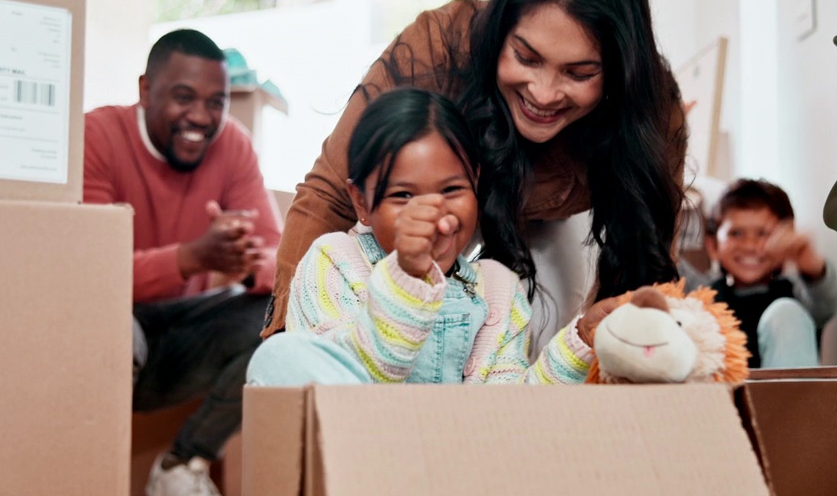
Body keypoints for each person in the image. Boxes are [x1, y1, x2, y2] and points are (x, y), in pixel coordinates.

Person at [263, 0, 687, 339]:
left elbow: (644, 261)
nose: (543, 94)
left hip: (552, 227)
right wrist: (289, 344)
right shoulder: (438, 47)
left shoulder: (650, 107)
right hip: (439, 216)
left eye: (579, 73)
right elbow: (330, 194)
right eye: (526, 56)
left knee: (553, 327)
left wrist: (622, 355)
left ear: (618, 74)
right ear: (498, 30)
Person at [247, 88, 599, 387]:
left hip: (456, 454)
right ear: (362, 202)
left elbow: (509, 412)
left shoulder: (498, 289)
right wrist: (407, 276)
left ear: (475, 182)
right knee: (278, 357)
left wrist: (579, 342)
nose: (433, 212)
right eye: (403, 196)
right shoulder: (333, 261)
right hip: (357, 449)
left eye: (451, 189)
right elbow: (351, 382)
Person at [84, 29, 282, 496]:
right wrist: (191, 258)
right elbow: (85, 276)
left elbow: (282, 265)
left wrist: (244, 260)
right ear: (145, 89)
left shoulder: (231, 145)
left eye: (215, 102)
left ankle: (182, 466)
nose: (201, 117)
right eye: (183, 97)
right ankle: (84, 481)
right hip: (102, 334)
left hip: (177, 342)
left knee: (278, 316)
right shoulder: (98, 137)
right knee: (109, 321)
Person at [702, 178, 837, 369]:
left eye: (762, 233)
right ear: (713, 246)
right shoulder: (706, 297)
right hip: (724, 395)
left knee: (786, 311)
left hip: (790, 396)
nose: (750, 246)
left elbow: (825, 303)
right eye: (736, 233)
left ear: (786, 237)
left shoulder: (797, 293)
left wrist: (810, 264)